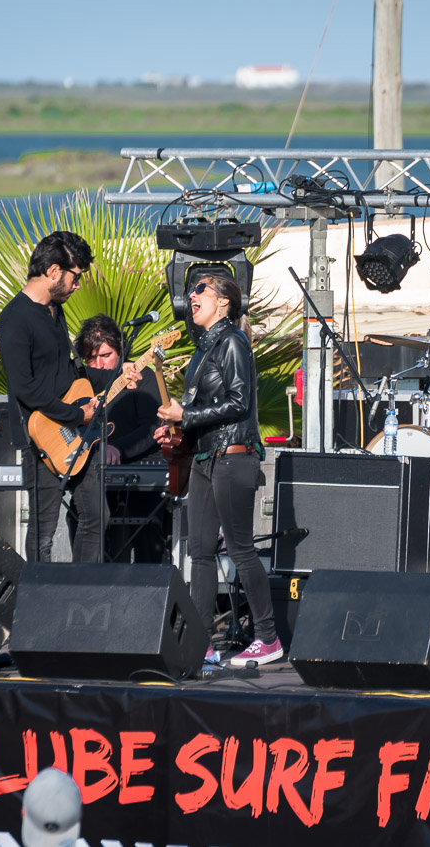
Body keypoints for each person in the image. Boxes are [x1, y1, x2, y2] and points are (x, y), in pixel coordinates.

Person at [154, 274, 281, 667]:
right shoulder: (202, 348)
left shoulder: (233, 341)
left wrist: (186, 415)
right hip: (205, 458)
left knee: (240, 550)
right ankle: (201, 642)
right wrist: (176, 426)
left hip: (233, 456)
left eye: (201, 290)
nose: (191, 296)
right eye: (190, 290)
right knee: (200, 551)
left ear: (224, 302)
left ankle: (269, 638)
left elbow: (239, 402)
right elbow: (198, 410)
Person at [0, 230, 104, 562]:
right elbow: (25, 387)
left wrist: (116, 375)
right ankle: (37, 592)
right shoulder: (15, 318)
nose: (77, 285)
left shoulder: (55, 310)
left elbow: (65, 374)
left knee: (96, 518)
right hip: (41, 437)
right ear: (55, 271)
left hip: (76, 431)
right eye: (76, 276)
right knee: (43, 533)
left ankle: (84, 588)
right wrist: (77, 415)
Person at [75, 314, 166, 562]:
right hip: (92, 469)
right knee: (79, 520)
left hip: (140, 470)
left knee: (148, 536)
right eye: (91, 358)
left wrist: (117, 449)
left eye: (106, 355)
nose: (99, 364)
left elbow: (151, 427)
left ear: (121, 350)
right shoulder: (81, 383)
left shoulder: (143, 376)